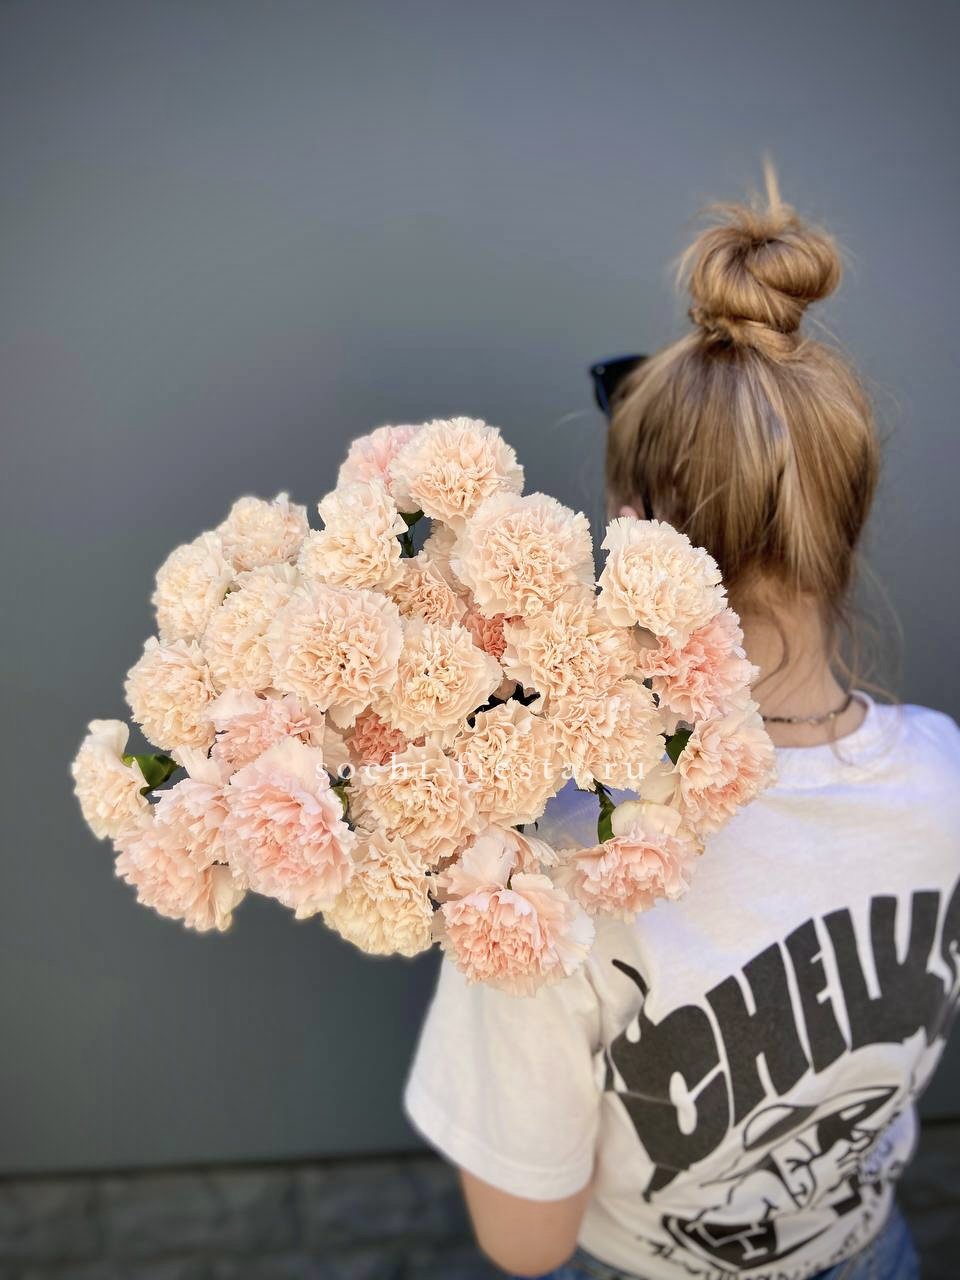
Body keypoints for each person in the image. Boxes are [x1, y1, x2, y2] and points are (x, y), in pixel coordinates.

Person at [402, 170, 960, 1280]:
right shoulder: (945, 775)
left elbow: (525, 1241)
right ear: (846, 517)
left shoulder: (555, 863)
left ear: (630, 533)